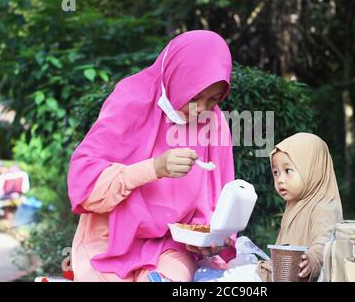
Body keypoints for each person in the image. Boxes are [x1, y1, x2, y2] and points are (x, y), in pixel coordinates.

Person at [67, 30, 236, 282]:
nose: (201, 110)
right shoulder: (131, 99)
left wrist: (213, 239)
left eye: (213, 100)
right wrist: (155, 168)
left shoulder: (214, 122)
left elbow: (218, 201)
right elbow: (84, 185)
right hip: (109, 240)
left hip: (171, 246)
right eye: (194, 97)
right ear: (175, 78)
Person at [257, 132, 343, 281]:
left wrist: (312, 259)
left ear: (312, 170)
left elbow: (325, 244)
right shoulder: (294, 205)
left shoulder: (324, 207)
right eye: (276, 172)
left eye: (288, 171)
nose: (280, 179)